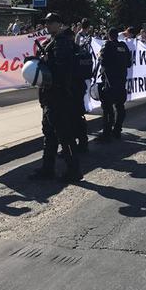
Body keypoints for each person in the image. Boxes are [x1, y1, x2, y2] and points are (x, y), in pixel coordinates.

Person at [29, 12, 82, 183]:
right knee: (49, 134)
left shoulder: (63, 44)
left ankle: (74, 170)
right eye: (46, 23)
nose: (47, 26)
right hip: (49, 97)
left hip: (59, 97)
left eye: (51, 23)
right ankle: (47, 168)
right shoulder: (51, 42)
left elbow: (61, 71)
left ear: (59, 24)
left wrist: (45, 62)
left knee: (64, 135)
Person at [97, 27, 132, 142]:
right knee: (120, 106)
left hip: (110, 82)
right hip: (121, 81)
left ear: (108, 35)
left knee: (108, 109)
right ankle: (117, 130)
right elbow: (129, 63)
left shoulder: (107, 46)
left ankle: (107, 134)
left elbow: (102, 61)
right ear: (117, 35)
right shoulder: (124, 46)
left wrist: (100, 56)